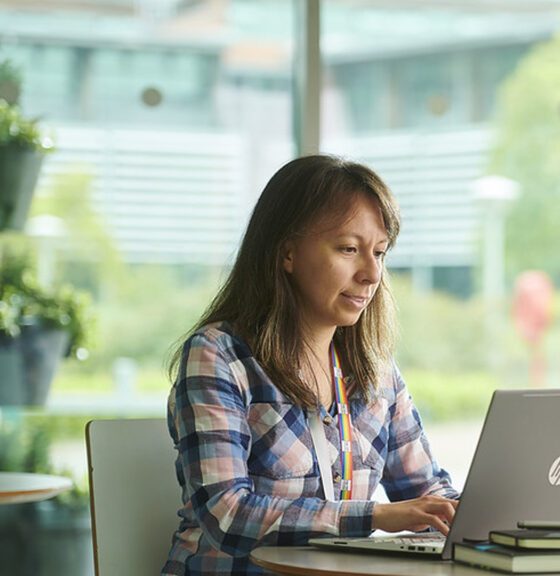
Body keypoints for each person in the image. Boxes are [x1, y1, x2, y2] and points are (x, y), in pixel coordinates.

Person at [162, 155, 458, 575]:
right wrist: (374, 517)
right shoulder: (219, 356)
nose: (372, 274)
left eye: (380, 252)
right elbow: (227, 514)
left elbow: (427, 492)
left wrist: (481, 516)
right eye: (349, 249)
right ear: (287, 253)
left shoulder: (376, 372)